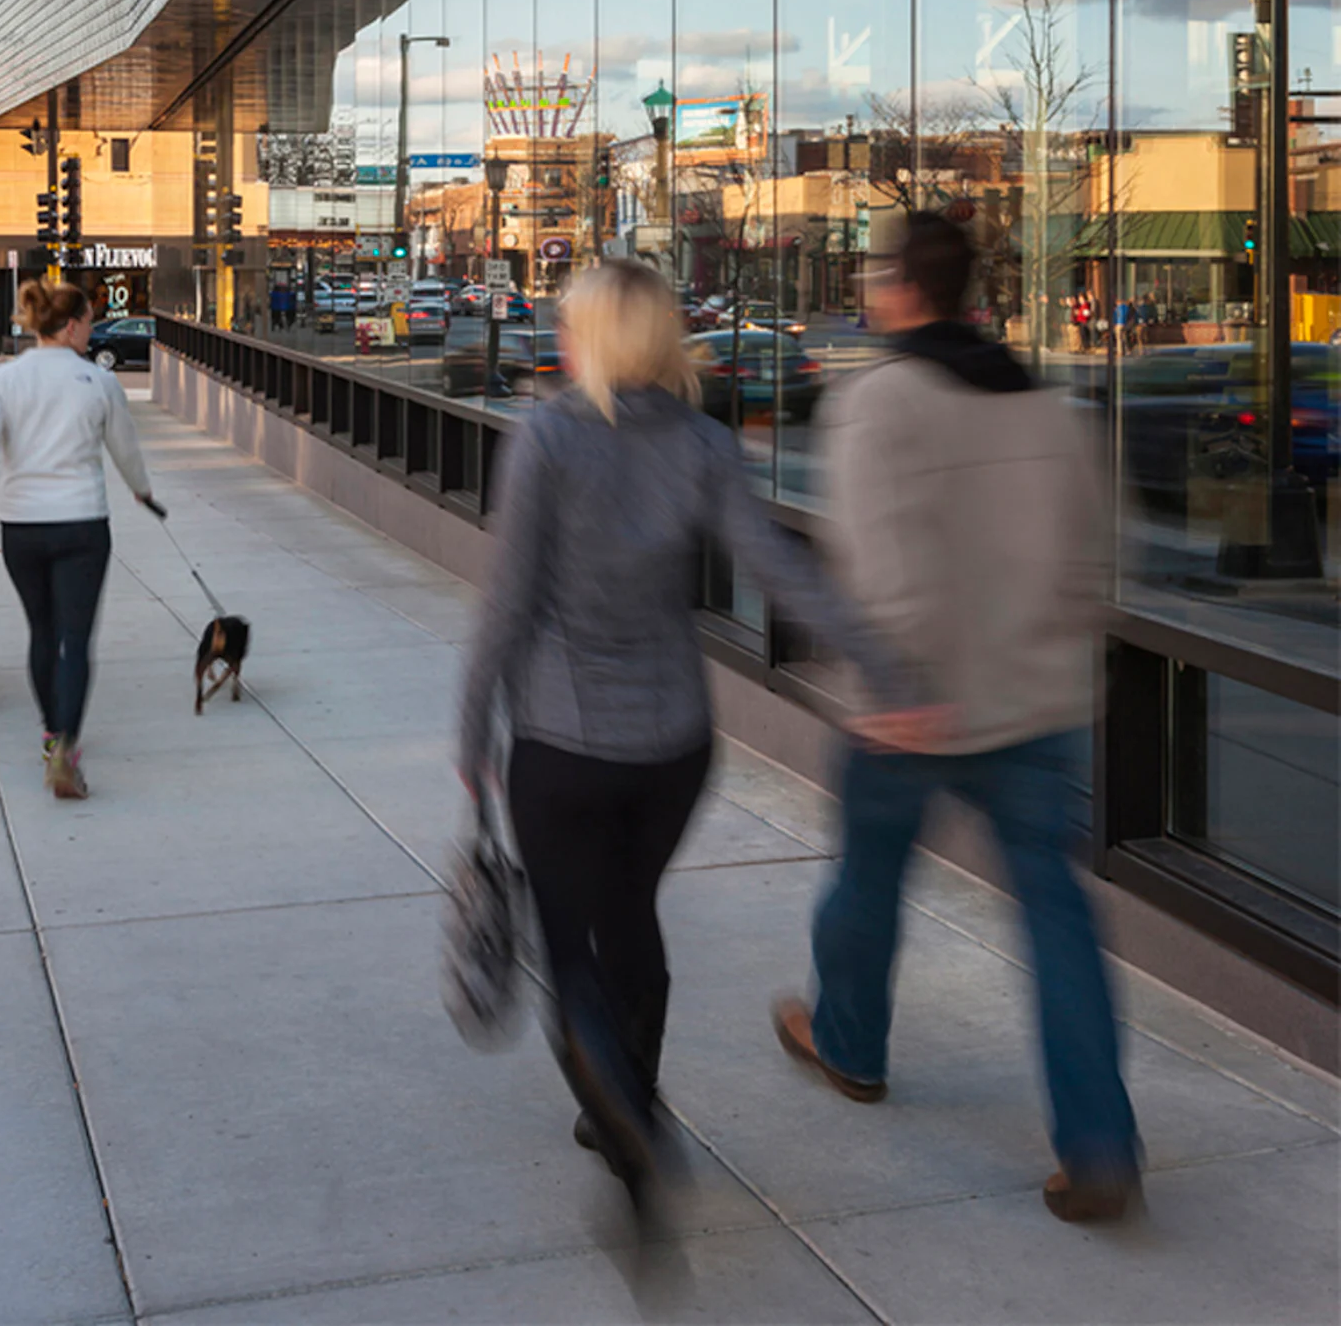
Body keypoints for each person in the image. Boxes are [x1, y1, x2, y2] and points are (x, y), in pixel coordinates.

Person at [456, 259, 919, 1218]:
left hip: (561, 740)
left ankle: (621, 1110)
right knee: (630, 910)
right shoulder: (705, 443)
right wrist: (884, 668)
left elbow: (506, 607)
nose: (561, 338)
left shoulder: (547, 438)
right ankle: (633, 1090)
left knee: (569, 945)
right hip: (672, 745)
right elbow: (780, 570)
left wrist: (471, 736)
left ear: (596, 338)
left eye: (571, 323)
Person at [774, 214, 1139, 1225]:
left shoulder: (878, 401)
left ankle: (849, 1046)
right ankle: (1100, 1145)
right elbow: (1094, 557)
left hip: (914, 707)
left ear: (901, 285)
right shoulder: (1049, 405)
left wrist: (895, 690)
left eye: (873, 274)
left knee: (866, 880)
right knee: (1056, 914)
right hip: (1032, 704)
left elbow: (875, 563)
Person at [0, 278, 159, 799]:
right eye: (90, 322)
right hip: (81, 523)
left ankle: (52, 733)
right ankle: (65, 749)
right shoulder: (97, 381)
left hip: (22, 526)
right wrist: (141, 489)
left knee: (42, 631)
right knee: (75, 639)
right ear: (71, 326)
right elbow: (125, 447)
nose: (92, 330)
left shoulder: (4, 381)